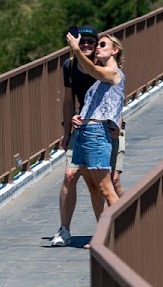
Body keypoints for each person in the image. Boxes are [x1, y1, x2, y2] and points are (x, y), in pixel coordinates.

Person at [63, 30, 126, 246]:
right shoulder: (100, 78)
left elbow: (90, 68)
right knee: (93, 186)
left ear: (115, 51)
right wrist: (78, 118)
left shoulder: (113, 73)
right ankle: (104, 235)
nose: (97, 47)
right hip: (85, 132)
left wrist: (75, 49)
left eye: (102, 45)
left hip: (97, 135)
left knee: (106, 188)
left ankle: (119, 235)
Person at [51, 25, 99, 247]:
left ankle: (106, 230)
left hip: (103, 128)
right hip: (80, 128)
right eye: (83, 42)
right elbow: (69, 100)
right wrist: (66, 132)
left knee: (100, 183)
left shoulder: (103, 64)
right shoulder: (69, 66)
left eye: (91, 42)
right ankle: (64, 230)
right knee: (70, 176)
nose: (87, 45)